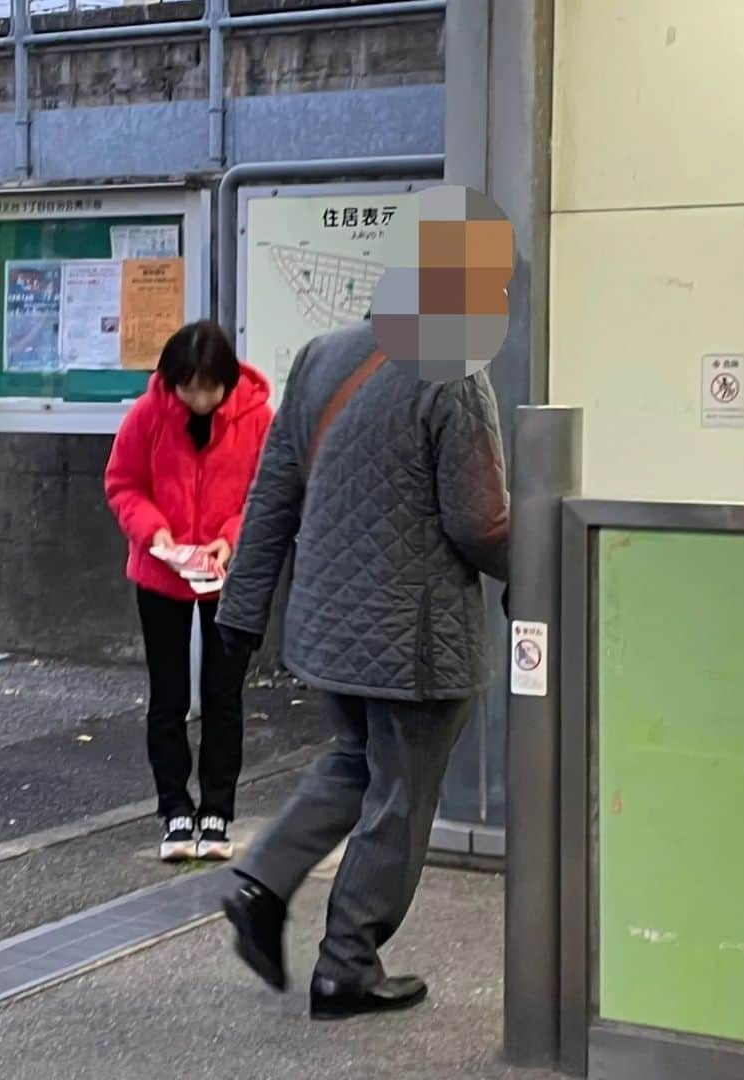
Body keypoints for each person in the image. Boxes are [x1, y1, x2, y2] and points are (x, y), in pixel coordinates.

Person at [215, 318, 509, 1020]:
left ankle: (263, 878)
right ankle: (346, 965)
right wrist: (539, 569)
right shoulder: (453, 365)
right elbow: (478, 522)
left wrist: (243, 611)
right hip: (413, 637)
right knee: (401, 794)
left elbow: (274, 490)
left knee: (357, 761)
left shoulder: (322, 353)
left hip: (329, 624)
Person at [105, 320, 272, 863]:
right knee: (169, 697)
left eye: (208, 387)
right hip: (161, 573)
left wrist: (230, 539)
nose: (198, 398)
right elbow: (122, 482)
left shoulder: (258, 419)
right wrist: (154, 531)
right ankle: (174, 807)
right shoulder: (149, 413)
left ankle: (218, 809)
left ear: (227, 380)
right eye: (187, 387)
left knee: (224, 696)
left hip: (229, 578)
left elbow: (267, 494)